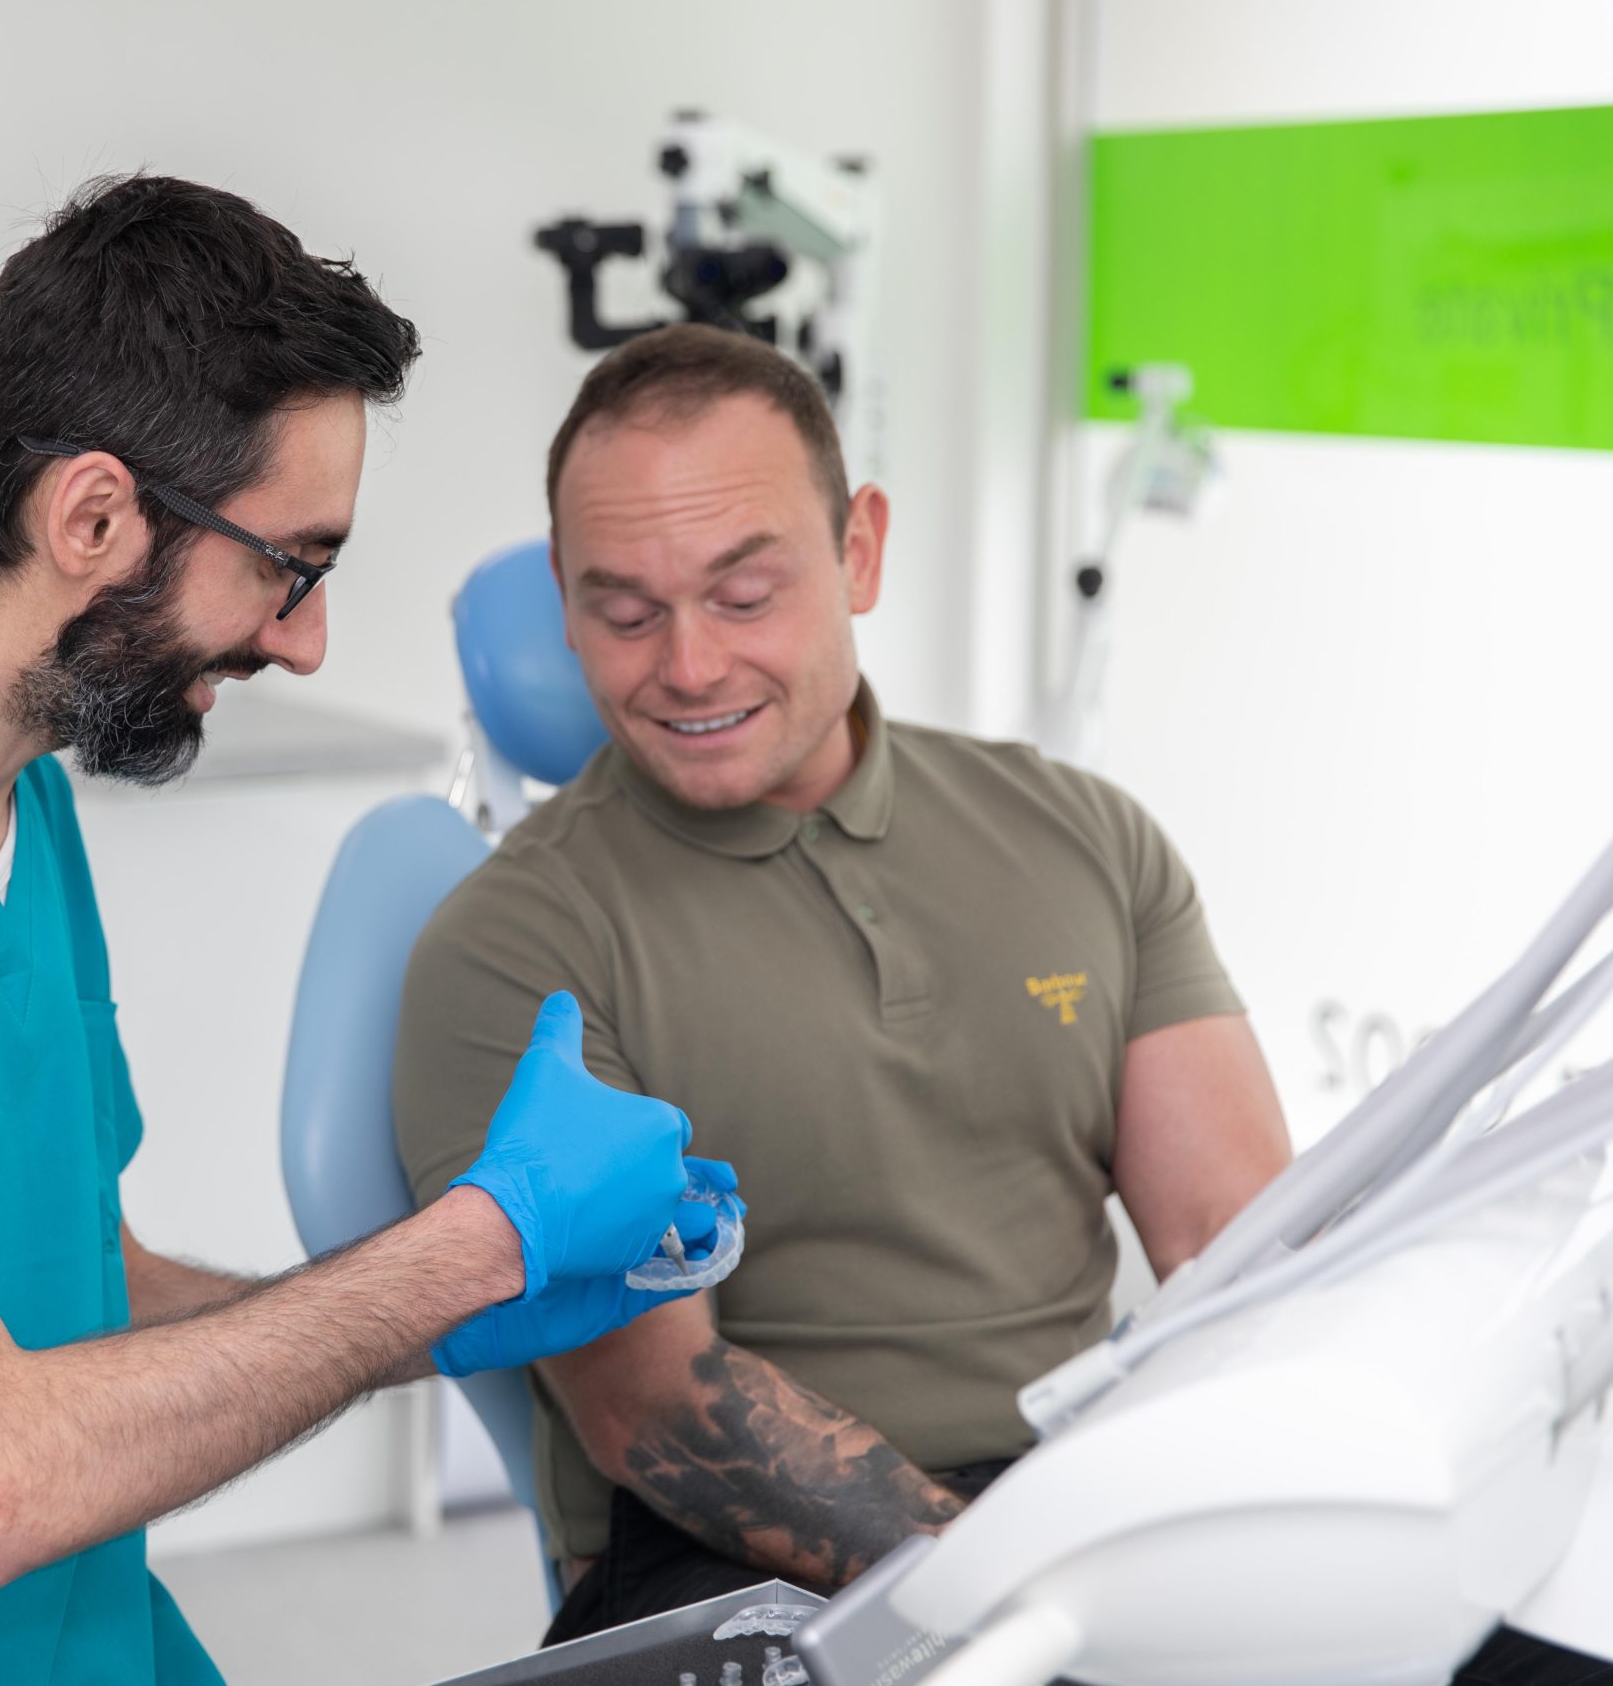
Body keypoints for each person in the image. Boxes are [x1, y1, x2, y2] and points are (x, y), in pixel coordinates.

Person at [0, 176, 734, 1684]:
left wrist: (463, 1313)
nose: (304, 638)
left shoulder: (18, 808)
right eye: (291, 566)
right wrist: (468, 1248)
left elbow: (89, 1282)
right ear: (92, 516)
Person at [392, 323, 1295, 1642]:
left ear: (858, 550)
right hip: (733, 1551)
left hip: (1082, 1488)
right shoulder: (517, 945)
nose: (690, 666)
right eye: (625, 612)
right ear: (568, 605)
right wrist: (1018, 1594)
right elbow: (660, 1407)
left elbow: (1238, 1251)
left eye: (745, 597)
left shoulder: (1086, 838)